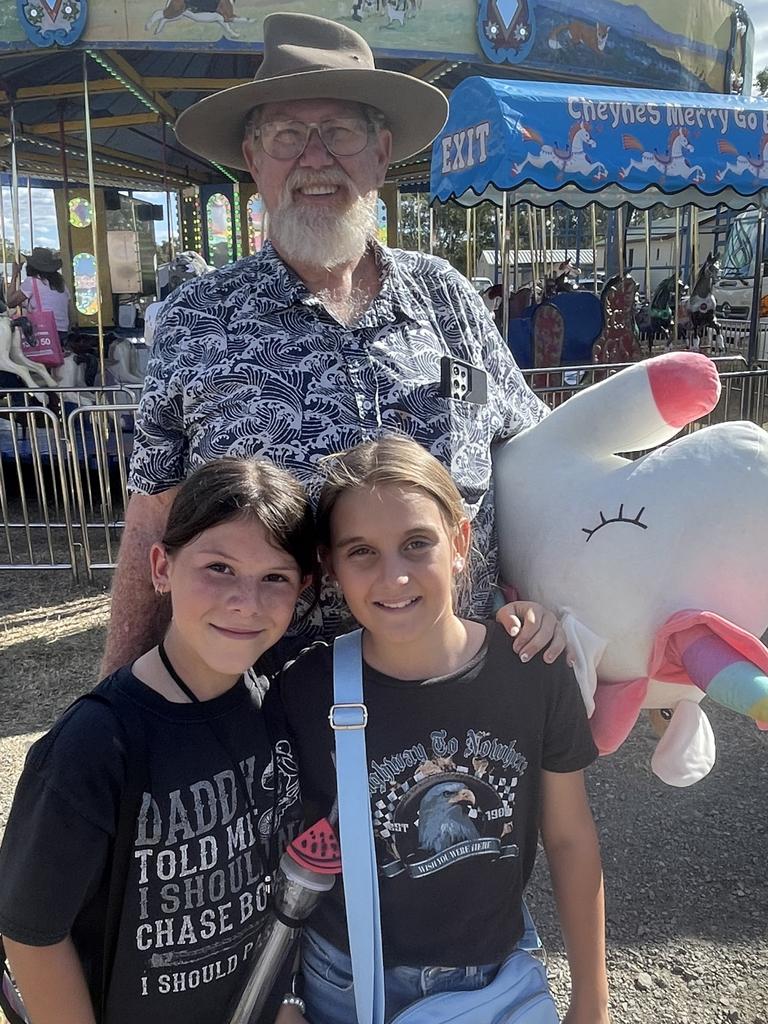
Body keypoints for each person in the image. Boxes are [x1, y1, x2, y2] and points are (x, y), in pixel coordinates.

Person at [101, 11, 549, 678]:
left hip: (458, 692)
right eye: (286, 136)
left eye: (338, 132)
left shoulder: (447, 297)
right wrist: (114, 702)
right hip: (270, 720)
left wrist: (578, 609)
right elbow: (150, 522)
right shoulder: (197, 318)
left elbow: (530, 453)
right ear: (254, 162)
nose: (314, 159)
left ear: (380, 152)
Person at [279, 436, 610, 1024]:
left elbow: (569, 838)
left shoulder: (533, 669)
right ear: (330, 566)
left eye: (417, 544)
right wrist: (284, 1001)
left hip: (495, 978)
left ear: (459, 543)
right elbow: (266, 856)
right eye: (362, 552)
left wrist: (593, 999)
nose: (395, 577)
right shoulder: (304, 688)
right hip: (346, 983)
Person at [0, 458, 315, 1024]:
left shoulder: (281, 703)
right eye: (219, 567)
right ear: (161, 567)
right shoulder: (92, 746)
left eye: (275, 577)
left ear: (303, 589)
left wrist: (285, 999)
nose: (246, 600)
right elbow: (31, 935)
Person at [7, 247, 74, 343]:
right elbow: (65, 306)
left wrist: (14, 275)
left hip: (45, 332)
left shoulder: (32, 282)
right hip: (62, 332)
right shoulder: (60, 283)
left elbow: (10, 302)